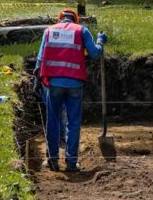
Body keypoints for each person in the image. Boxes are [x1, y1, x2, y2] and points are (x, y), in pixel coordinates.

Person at [35, 9, 107, 172]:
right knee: (73, 123)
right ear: (75, 19)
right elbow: (95, 54)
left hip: (53, 85)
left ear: (60, 19)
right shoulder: (82, 31)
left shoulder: (49, 31)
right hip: (75, 84)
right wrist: (100, 41)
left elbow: (40, 60)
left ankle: (53, 161)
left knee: (53, 121)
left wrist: (37, 82)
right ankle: (72, 163)